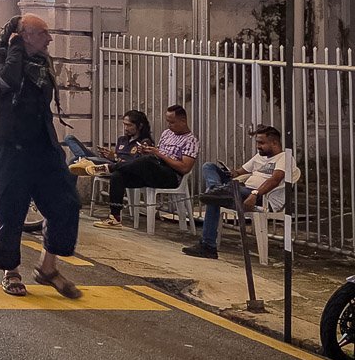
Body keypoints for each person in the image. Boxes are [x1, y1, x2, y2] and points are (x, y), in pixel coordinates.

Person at [0, 15, 82, 299]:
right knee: (10, 209)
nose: (49, 38)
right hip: (11, 144)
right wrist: (16, 48)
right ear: (24, 35)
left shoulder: (43, 62)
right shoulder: (2, 57)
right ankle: (10, 271)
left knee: (66, 203)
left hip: (42, 143)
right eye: (43, 33)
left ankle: (47, 267)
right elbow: (9, 82)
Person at [183, 124, 295, 258]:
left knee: (215, 197)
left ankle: (208, 244)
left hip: (261, 198)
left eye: (261, 143)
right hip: (241, 191)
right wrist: (231, 173)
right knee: (209, 168)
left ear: (274, 142)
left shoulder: (284, 158)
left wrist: (255, 194)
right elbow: (240, 172)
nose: (258, 146)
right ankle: (215, 190)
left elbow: (275, 180)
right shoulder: (259, 156)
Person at [94, 105, 195, 229]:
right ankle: (114, 217)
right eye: (168, 122)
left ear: (183, 121)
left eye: (172, 122)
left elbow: (185, 168)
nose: (169, 125)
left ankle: (111, 167)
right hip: (154, 169)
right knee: (118, 176)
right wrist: (149, 151)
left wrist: (157, 154)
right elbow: (157, 154)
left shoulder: (190, 141)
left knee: (147, 160)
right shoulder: (167, 133)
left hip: (171, 176)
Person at [65, 110, 151, 170]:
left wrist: (115, 158)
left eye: (129, 125)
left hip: (116, 167)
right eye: (124, 125)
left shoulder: (144, 142)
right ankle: (83, 159)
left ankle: (83, 160)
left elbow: (136, 164)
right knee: (69, 138)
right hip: (108, 162)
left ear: (140, 126)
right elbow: (114, 157)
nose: (125, 128)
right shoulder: (122, 140)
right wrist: (107, 155)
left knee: (74, 161)